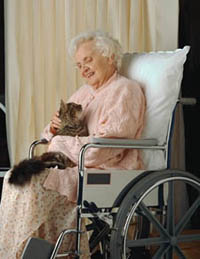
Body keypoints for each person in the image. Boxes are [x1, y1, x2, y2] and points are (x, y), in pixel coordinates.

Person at [0, 31, 146, 258]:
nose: (83, 69)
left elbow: (104, 149)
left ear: (109, 56)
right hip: (73, 166)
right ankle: (20, 250)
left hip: (104, 169)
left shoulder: (125, 90)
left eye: (88, 60)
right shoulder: (84, 92)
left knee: (33, 182)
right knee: (15, 178)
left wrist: (60, 141)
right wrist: (54, 128)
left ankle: (31, 252)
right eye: (78, 65)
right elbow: (49, 137)